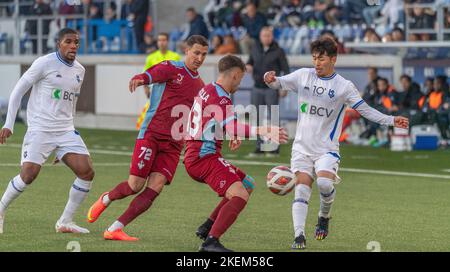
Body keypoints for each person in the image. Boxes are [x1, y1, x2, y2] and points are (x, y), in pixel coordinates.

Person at [264, 37, 409, 250]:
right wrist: (270, 78)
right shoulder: (303, 75)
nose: (317, 63)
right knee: (302, 189)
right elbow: (280, 81)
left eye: (321, 59)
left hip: (326, 149)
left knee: (324, 184)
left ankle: (324, 216)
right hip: (302, 148)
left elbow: (365, 110)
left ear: (333, 59)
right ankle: (299, 236)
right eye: (314, 58)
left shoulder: (344, 86)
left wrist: (391, 120)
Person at [87, 35, 209, 241]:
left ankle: (115, 228)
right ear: (186, 50)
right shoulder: (172, 67)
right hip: (152, 134)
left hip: (174, 143)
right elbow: (151, 75)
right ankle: (106, 198)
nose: (199, 58)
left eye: (204, 54)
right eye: (196, 52)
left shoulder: (200, 86)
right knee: (135, 185)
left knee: (156, 187)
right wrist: (140, 78)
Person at [184, 55, 288, 252]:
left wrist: (228, 132)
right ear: (234, 74)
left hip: (199, 153)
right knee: (239, 194)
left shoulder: (208, 89)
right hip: (203, 157)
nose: (240, 84)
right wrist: (263, 130)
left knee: (247, 184)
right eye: (240, 79)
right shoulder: (221, 96)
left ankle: (207, 228)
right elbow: (231, 124)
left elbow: (211, 120)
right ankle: (211, 243)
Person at [0, 28, 94, 234]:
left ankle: (65, 222)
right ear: (59, 43)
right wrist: (9, 123)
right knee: (28, 175)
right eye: (68, 41)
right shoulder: (44, 63)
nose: (73, 46)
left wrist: (65, 144)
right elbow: (18, 91)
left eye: (76, 42)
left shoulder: (80, 70)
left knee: (86, 172)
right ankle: (0, 210)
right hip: (40, 129)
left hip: (65, 130)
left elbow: (70, 104)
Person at [246, 26, 290, 157]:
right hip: (257, 88)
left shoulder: (279, 51)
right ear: (260, 37)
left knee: (274, 118)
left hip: (272, 90)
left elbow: (286, 70)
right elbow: (250, 63)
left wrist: (284, 87)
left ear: (272, 37)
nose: (266, 38)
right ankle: (259, 147)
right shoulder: (255, 48)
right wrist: (248, 67)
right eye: (264, 35)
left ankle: (274, 147)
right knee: (257, 118)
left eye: (268, 35)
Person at [137, 32, 182, 130]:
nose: (162, 42)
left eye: (164, 40)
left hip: (170, 92)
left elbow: (180, 75)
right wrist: (145, 88)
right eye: (159, 40)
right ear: (157, 42)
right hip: (155, 91)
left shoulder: (175, 56)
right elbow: (145, 74)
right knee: (150, 115)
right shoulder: (151, 58)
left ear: (168, 41)